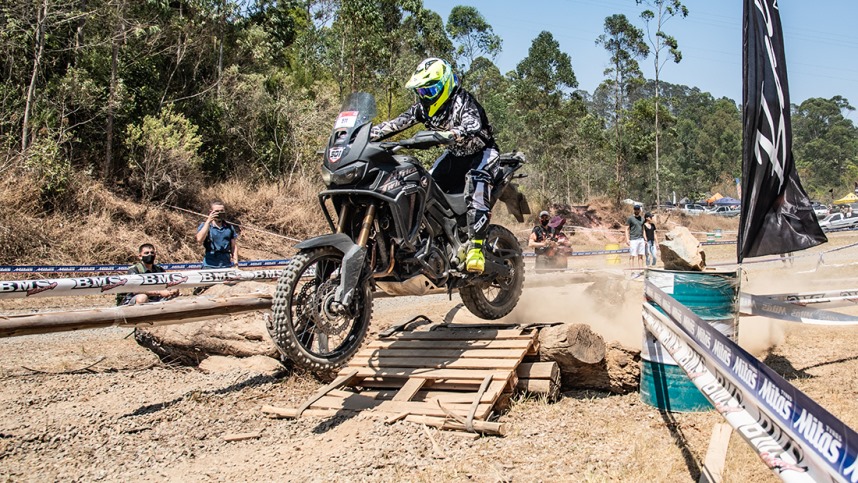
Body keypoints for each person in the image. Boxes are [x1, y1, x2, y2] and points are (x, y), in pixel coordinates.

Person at [370, 58, 499, 274]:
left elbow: (473, 124)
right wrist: (363, 135)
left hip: (482, 152)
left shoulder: (462, 101)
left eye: (431, 90)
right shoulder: (422, 108)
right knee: (423, 184)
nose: (426, 96)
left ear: (446, 84)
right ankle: (429, 240)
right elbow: (395, 124)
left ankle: (476, 248)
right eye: (422, 92)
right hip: (454, 155)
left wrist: (451, 133)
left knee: (477, 184)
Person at [195, 201, 239, 268]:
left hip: (226, 264)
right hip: (209, 265)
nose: (219, 213)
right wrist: (208, 221)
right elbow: (199, 239)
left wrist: (236, 263)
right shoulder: (205, 226)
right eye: (217, 211)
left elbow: (233, 246)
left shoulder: (229, 227)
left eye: (222, 211)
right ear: (211, 212)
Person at [624, 205, 645, 269]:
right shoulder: (630, 218)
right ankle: (632, 271)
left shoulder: (642, 219)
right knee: (632, 256)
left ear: (640, 210)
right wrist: (627, 239)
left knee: (640, 256)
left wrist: (645, 239)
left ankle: (641, 270)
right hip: (633, 239)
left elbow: (643, 229)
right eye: (635, 209)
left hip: (641, 239)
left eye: (638, 209)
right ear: (634, 210)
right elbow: (626, 229)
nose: (637, 210)